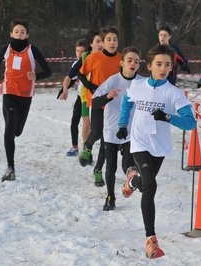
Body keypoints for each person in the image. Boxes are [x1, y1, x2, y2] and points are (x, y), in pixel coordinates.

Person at [116, 44, 196, 259]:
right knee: (151, 185)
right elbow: (127, 102)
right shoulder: (138, 85)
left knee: (144, 185)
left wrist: (169, 117)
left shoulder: (173, 93)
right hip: (139, 142)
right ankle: (151, 240)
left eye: (168, 65)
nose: (163, 68)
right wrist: (123, 124)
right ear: (149, 65)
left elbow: (190, 123)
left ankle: (132, 182)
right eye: (159, 64)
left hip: (159, 146)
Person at [0, 19, 52, 182]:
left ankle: (11, 136)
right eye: (16, 31)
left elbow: (48, 71)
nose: (19, 34)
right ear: (11, 33)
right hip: (9, 91)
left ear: (27, 35)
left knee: (17, 131)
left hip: (26, 94)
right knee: (10, 124)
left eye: (23, 31)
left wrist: (36, 76)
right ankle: (10, 168)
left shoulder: (33, 50)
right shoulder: (6, 49)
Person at [92, 46, 143, 211]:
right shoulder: (113, 81)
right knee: (111, 167)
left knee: (128, 164)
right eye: (129, 60)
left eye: (136, 61)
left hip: (131, 131)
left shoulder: (141, 83)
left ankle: (131, 181)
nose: (133, 64)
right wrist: (107, 97)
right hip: (111, 130)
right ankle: (110, 197)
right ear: (121, 63)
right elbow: (94, 102)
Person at [78, 25, 122, 187]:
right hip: (97, 101)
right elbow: (80, 74)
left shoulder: (121, 58)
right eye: (108, 39)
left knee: (106, 139)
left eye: (115, 39)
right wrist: (90, 86)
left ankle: (97, 170)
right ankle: (87, 146)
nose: (112, 42)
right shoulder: (93, 58)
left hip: (114, 105)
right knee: (96, 131)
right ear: (102, 43)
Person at [58, 38, 88, 156]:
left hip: (89, 97)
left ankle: (88, 149)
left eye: (82, 51)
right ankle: (75, 146)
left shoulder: (88, 61)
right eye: (77, 51)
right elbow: (71, 78)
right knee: (74, 121)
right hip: (80, 97)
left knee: (89, 125)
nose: (79, 54)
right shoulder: (76, 63)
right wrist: (64, 89)